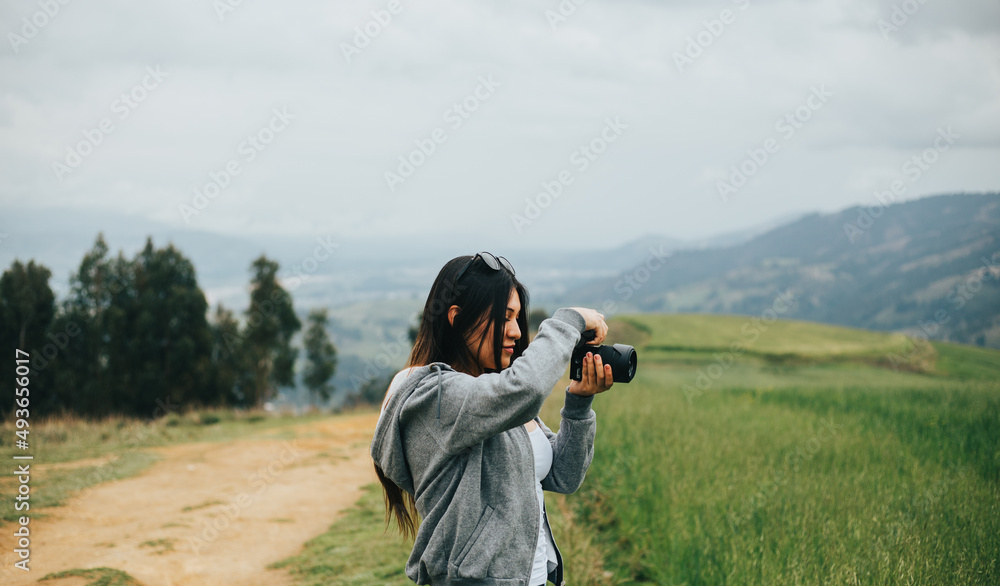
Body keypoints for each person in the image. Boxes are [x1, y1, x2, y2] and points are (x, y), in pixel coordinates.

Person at [370, 252, 614, 586]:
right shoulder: (433, 395)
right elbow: (526, 387)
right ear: (457, 318)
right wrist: (569, 322)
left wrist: (579, 402)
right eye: (504, 317)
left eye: (517, 318)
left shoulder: (491, 396)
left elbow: (563, 476)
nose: (515, 331)